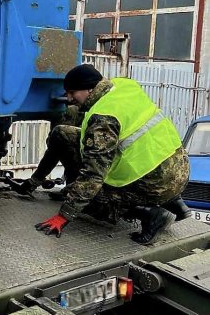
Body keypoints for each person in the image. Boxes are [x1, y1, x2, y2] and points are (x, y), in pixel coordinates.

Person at [35, 64, 191, 244]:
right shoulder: (124, 87)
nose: (69, 98)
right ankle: (175, 203)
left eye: (72, 92)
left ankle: (152, 214)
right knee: (64, 134)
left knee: (88, 198)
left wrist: (65, 215)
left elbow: (93, 175)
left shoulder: (103, 118)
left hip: (154, 183)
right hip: (178, 170)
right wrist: (35, 180)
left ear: (89, 88)